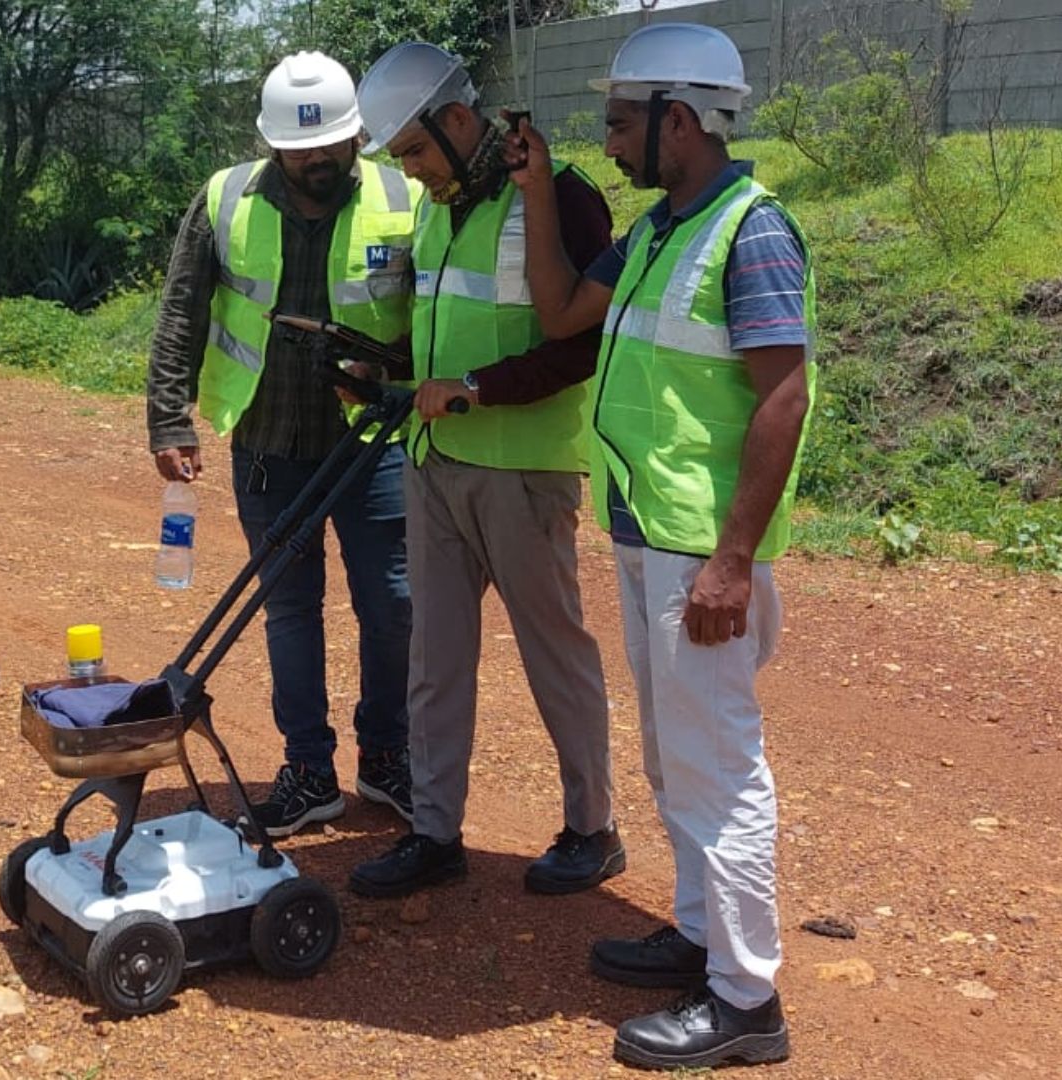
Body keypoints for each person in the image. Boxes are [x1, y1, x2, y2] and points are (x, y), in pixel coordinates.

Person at [512, 22, 815, 1070]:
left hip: (701, 552)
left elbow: (784, 392)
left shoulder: (753, 231)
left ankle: (744, 1001)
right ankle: (698, 935)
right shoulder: (653, 234)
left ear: (676, 121)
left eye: (619, 123)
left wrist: (733, 560)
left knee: (717, 768)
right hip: (647, 533)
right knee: (674, 759)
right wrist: (538, 188)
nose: (611, 142)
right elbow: (559, 316)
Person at [342, 43, 624, 902]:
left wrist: (475, 391)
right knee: (435, 656)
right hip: (435, 462)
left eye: (418, 153)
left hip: (523, 471)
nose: (414, 173)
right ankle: (434, 832)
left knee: (554, 653)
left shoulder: (562, 194)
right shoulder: (440, 205)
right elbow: (441, 324)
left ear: (458, 122)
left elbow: (578, 343)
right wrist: (378, 368)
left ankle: (592, 829)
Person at [146, 51, 422, 837]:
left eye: (333, 146)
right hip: (269, 443)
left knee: (393, 607)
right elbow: (180, 313)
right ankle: (308, 771)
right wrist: (168, 418)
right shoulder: (225, 199)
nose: (318, 161)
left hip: (374, 444)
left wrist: (395, 367)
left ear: (358, 136)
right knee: (289, 611)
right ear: (272, 144)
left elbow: (435, 314)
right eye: (302, 150)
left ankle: (386, 758)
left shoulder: (405, 197)